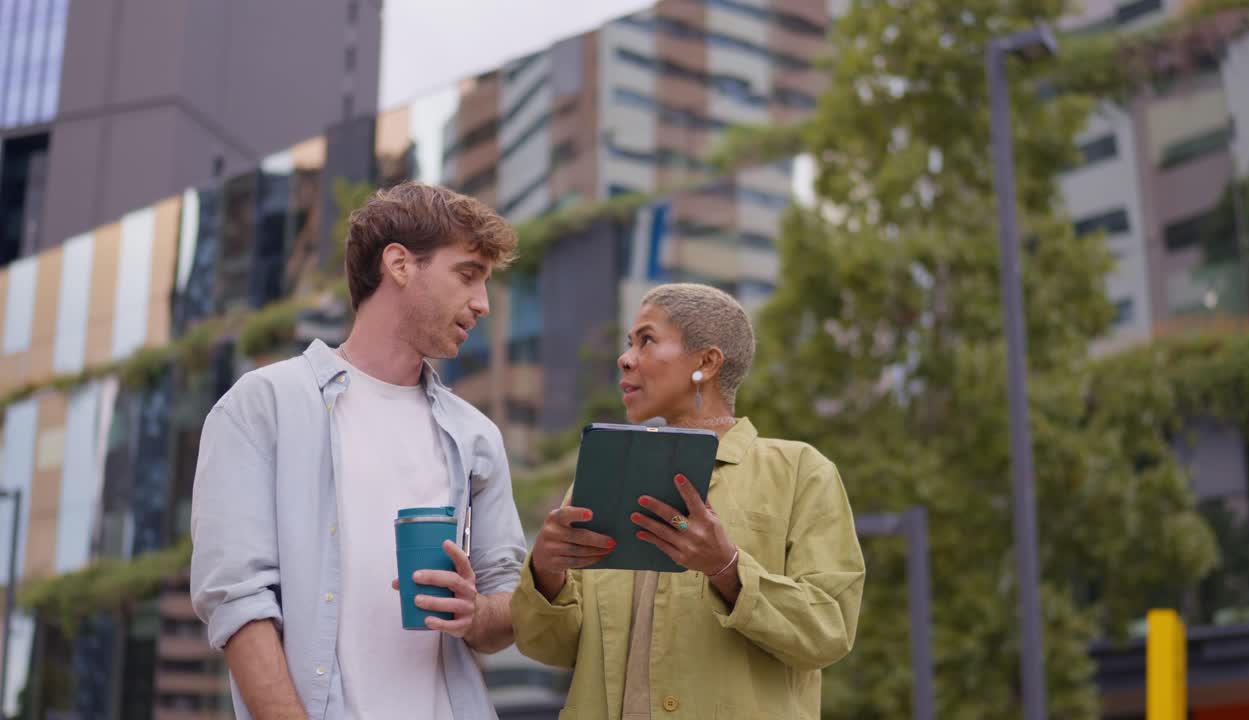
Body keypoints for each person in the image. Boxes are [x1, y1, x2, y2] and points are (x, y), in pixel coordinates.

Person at [191, 182, 527, 719]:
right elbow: (238, 602)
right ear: (399, 264)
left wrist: (477, 610)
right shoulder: (264, 405)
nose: (482, 304)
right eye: (467, 275)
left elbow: (503, 610)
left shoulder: (477, 436)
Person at [511, 282, 865, 719]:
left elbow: (828, 631)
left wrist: (728, 570)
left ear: (706, 362)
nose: (625, 358)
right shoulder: (601, 480)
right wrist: (546, 573)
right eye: (628, 343)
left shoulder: (801, 473)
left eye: (647, 340)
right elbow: (550, 647)